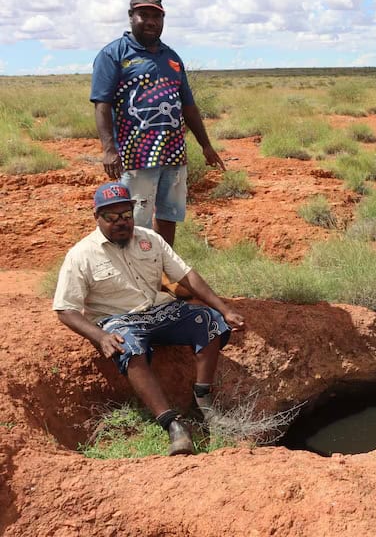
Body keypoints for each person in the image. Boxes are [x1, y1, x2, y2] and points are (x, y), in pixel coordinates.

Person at [53, 182, 245, 455]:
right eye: (111, 217)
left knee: (210, 320)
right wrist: (101, 336)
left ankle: (203, 401)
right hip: (118, 319)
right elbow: (65, 309)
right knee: (129, 346)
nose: (121, 222)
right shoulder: (81, 255)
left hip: (159, 310)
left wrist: (224, 309)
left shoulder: (150, 239)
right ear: (97, 217)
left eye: (126, 215)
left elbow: (186, 275)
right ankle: (172, 425)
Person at [91, 0, 225, 248]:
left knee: (168, 215)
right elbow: (102, 104)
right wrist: (108, 148)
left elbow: (188, 106)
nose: (151, 21)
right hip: (137, 153)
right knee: (134, 218)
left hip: (174, 152)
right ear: (132, 17)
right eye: (144, 15)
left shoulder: (172, 58)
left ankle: (163, 269)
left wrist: (205, 145)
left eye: (157, 16)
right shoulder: (114, 54)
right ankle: (135, 273)